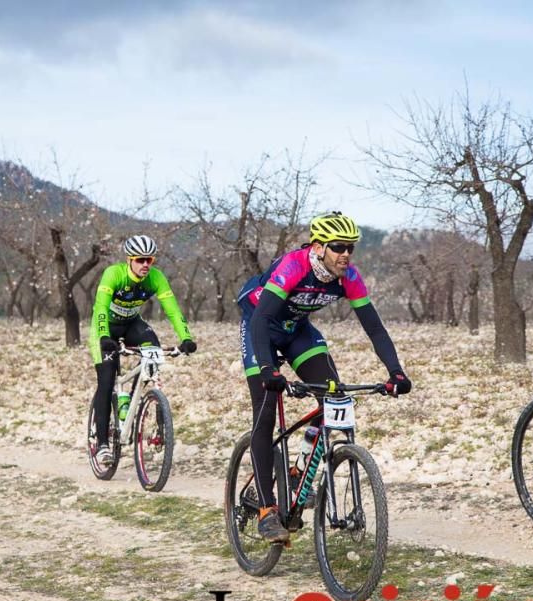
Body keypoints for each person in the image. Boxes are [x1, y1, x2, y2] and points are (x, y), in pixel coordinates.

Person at [238, 212, 412, 542]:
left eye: (351, 248)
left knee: (335, 395)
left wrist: (396, 371)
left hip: (297, 331)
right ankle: (266, 510)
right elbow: (260, 320)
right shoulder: (293, 266)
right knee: (265, 408)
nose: (346, 254)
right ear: (319, 247)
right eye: (338, 247)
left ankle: (297, 472)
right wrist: (267, 369)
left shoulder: (348, 276)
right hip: (259, 327)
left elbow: (373, 327)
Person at [89, 235, 197, 464]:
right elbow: (100, 307)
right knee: (106, 381)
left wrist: (186, 337)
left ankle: (143, 398)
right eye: (140, 260)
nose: (146, 264)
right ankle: (102, 445)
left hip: (131, 324)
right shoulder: (113, 274)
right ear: (130, 260)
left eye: (150, 259)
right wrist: (104, 336)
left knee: (154, 351)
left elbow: (172, 310)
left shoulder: (156, 278)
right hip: (105, 326)